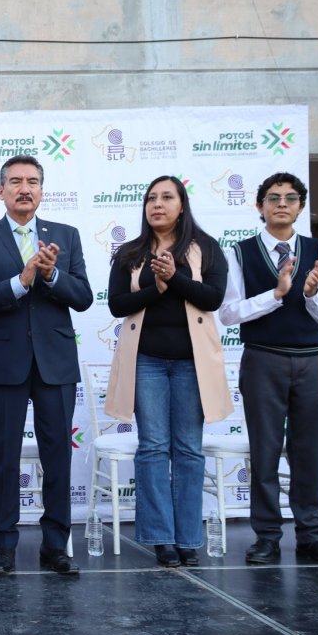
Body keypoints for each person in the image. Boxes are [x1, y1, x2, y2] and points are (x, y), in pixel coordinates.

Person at [0, 155, 92, 576]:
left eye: (32, 181)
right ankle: (4, 546)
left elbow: (84, 297)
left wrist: (51, 276)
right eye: (15, 181)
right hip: (4, 363)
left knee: (58, 455)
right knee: (5, 455)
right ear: (0, 191)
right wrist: (21, 282)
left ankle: (56, 545)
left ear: (42, 191)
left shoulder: (65, 236)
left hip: (55, 363)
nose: (24, 188)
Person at [219, 173, 318, 567]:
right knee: (265, 449)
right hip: (263, 358)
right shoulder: (240, 252)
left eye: (290, 198)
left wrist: (310, 295)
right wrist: (275, 295)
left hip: (311, 359)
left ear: (300, 207)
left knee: (308, 450)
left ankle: (312, 536)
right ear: (259, 206)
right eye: (273, 197)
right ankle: (267, 537)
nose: (282, 203)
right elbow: (228, 313)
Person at [105, 176, 231, 567]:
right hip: (146, 362)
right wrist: (156, 289)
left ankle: (188, 538)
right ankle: (161, 538)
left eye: (166, 197)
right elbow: (117, 304)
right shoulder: (130, 253)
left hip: (192, 364)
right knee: (153, 448)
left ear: (181, 205)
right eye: (150, 198)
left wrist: (174, 277)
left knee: (189, 449)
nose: (157, 204)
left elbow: (213, 298)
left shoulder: (206, 248)